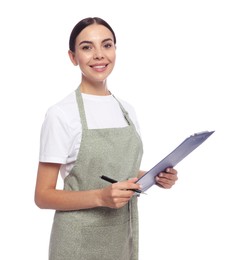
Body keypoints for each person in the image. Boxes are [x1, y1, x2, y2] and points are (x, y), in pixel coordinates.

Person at [34, 17, 178, 260]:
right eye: (87, 47)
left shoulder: (127, 110)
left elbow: (116, 170)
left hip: (123, 238)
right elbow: (42, 195)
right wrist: (101, 197)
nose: (99, 54)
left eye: (107, 45)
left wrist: (154, 176)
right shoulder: (60, 114)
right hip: (76, 243)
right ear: (72, 57)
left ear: (115, 50)